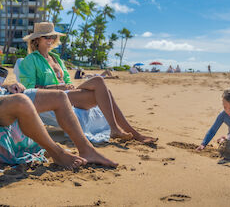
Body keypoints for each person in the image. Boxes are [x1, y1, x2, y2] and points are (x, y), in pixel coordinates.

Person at [19, 22, 156, 144]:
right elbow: (29, 90)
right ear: (37, 39)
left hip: (67, 94)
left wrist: (68, 85)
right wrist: (56, 87)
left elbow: (66, 79)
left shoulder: (56, 58)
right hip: (53, 97)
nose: (50, 39)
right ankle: (122, 130)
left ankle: (128, 131)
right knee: (98, 81)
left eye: (52, 37)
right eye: (46, 37)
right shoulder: (30, 60)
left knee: (104, 90)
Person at [0, 79, 117, 167]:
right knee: (22, 101)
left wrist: (8, 85)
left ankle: (87, 150)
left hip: (4, 93)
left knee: (60, 96)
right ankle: (57, 153)